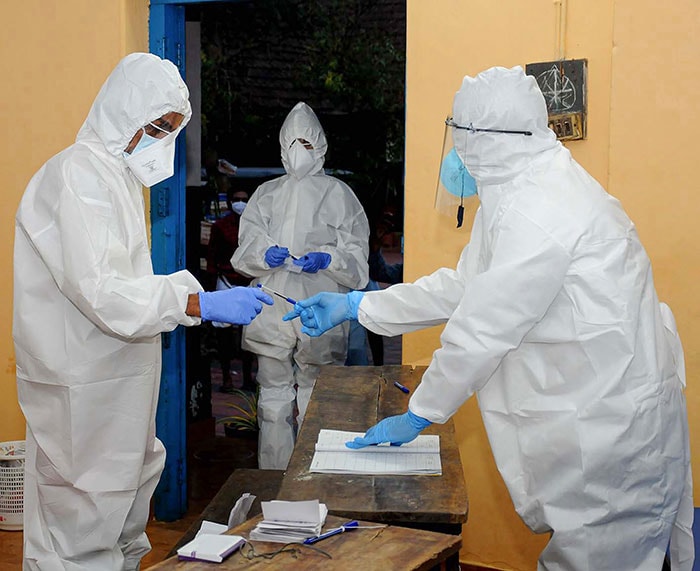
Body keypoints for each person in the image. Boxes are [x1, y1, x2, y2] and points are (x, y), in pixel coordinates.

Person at [283, 67, 694, 570]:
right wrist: (358, 304)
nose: (455, 155)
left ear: (486, 142)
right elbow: (464, 288)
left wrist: (421, 413)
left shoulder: (538, 210)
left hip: (610, 439)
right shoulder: (519, 191)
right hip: (593, 416)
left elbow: (481, 328)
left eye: (460, 138)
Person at [13, 53, 273, 570]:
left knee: (124, 520)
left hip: (115, 384)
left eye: (172, 129)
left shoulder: (115, 177)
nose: (162, 141)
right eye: (156, 126)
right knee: (80, 532)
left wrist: (190, 297)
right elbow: (104, 292)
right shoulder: (77, 175)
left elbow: (124, 284)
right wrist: (196, 300)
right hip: (81, 390)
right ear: (119, 112)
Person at [231, 101, 369, 469]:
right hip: (274, 303)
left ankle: (318, 474)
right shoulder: (267, 194)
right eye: (292, 143)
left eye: (305, 144)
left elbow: (358, 257)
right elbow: (245, 250)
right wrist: (265, 254)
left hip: (321, 304)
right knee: (273, 397)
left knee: (318, 395)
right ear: (281, 147)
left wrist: (329, 258)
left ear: (320, 146)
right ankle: (275, 477)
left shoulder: (339, 195)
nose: (298, 152)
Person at [204, 189, 257, 392]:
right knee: (224, 336)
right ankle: (226, 378)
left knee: (249, 334)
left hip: (248, 283)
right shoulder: (219, 226)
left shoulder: (255, 227)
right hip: (225, 282)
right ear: (231, 201)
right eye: (237, 199)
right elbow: (212, 256)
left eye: (244, 200)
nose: (240, 203)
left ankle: (247, 378)